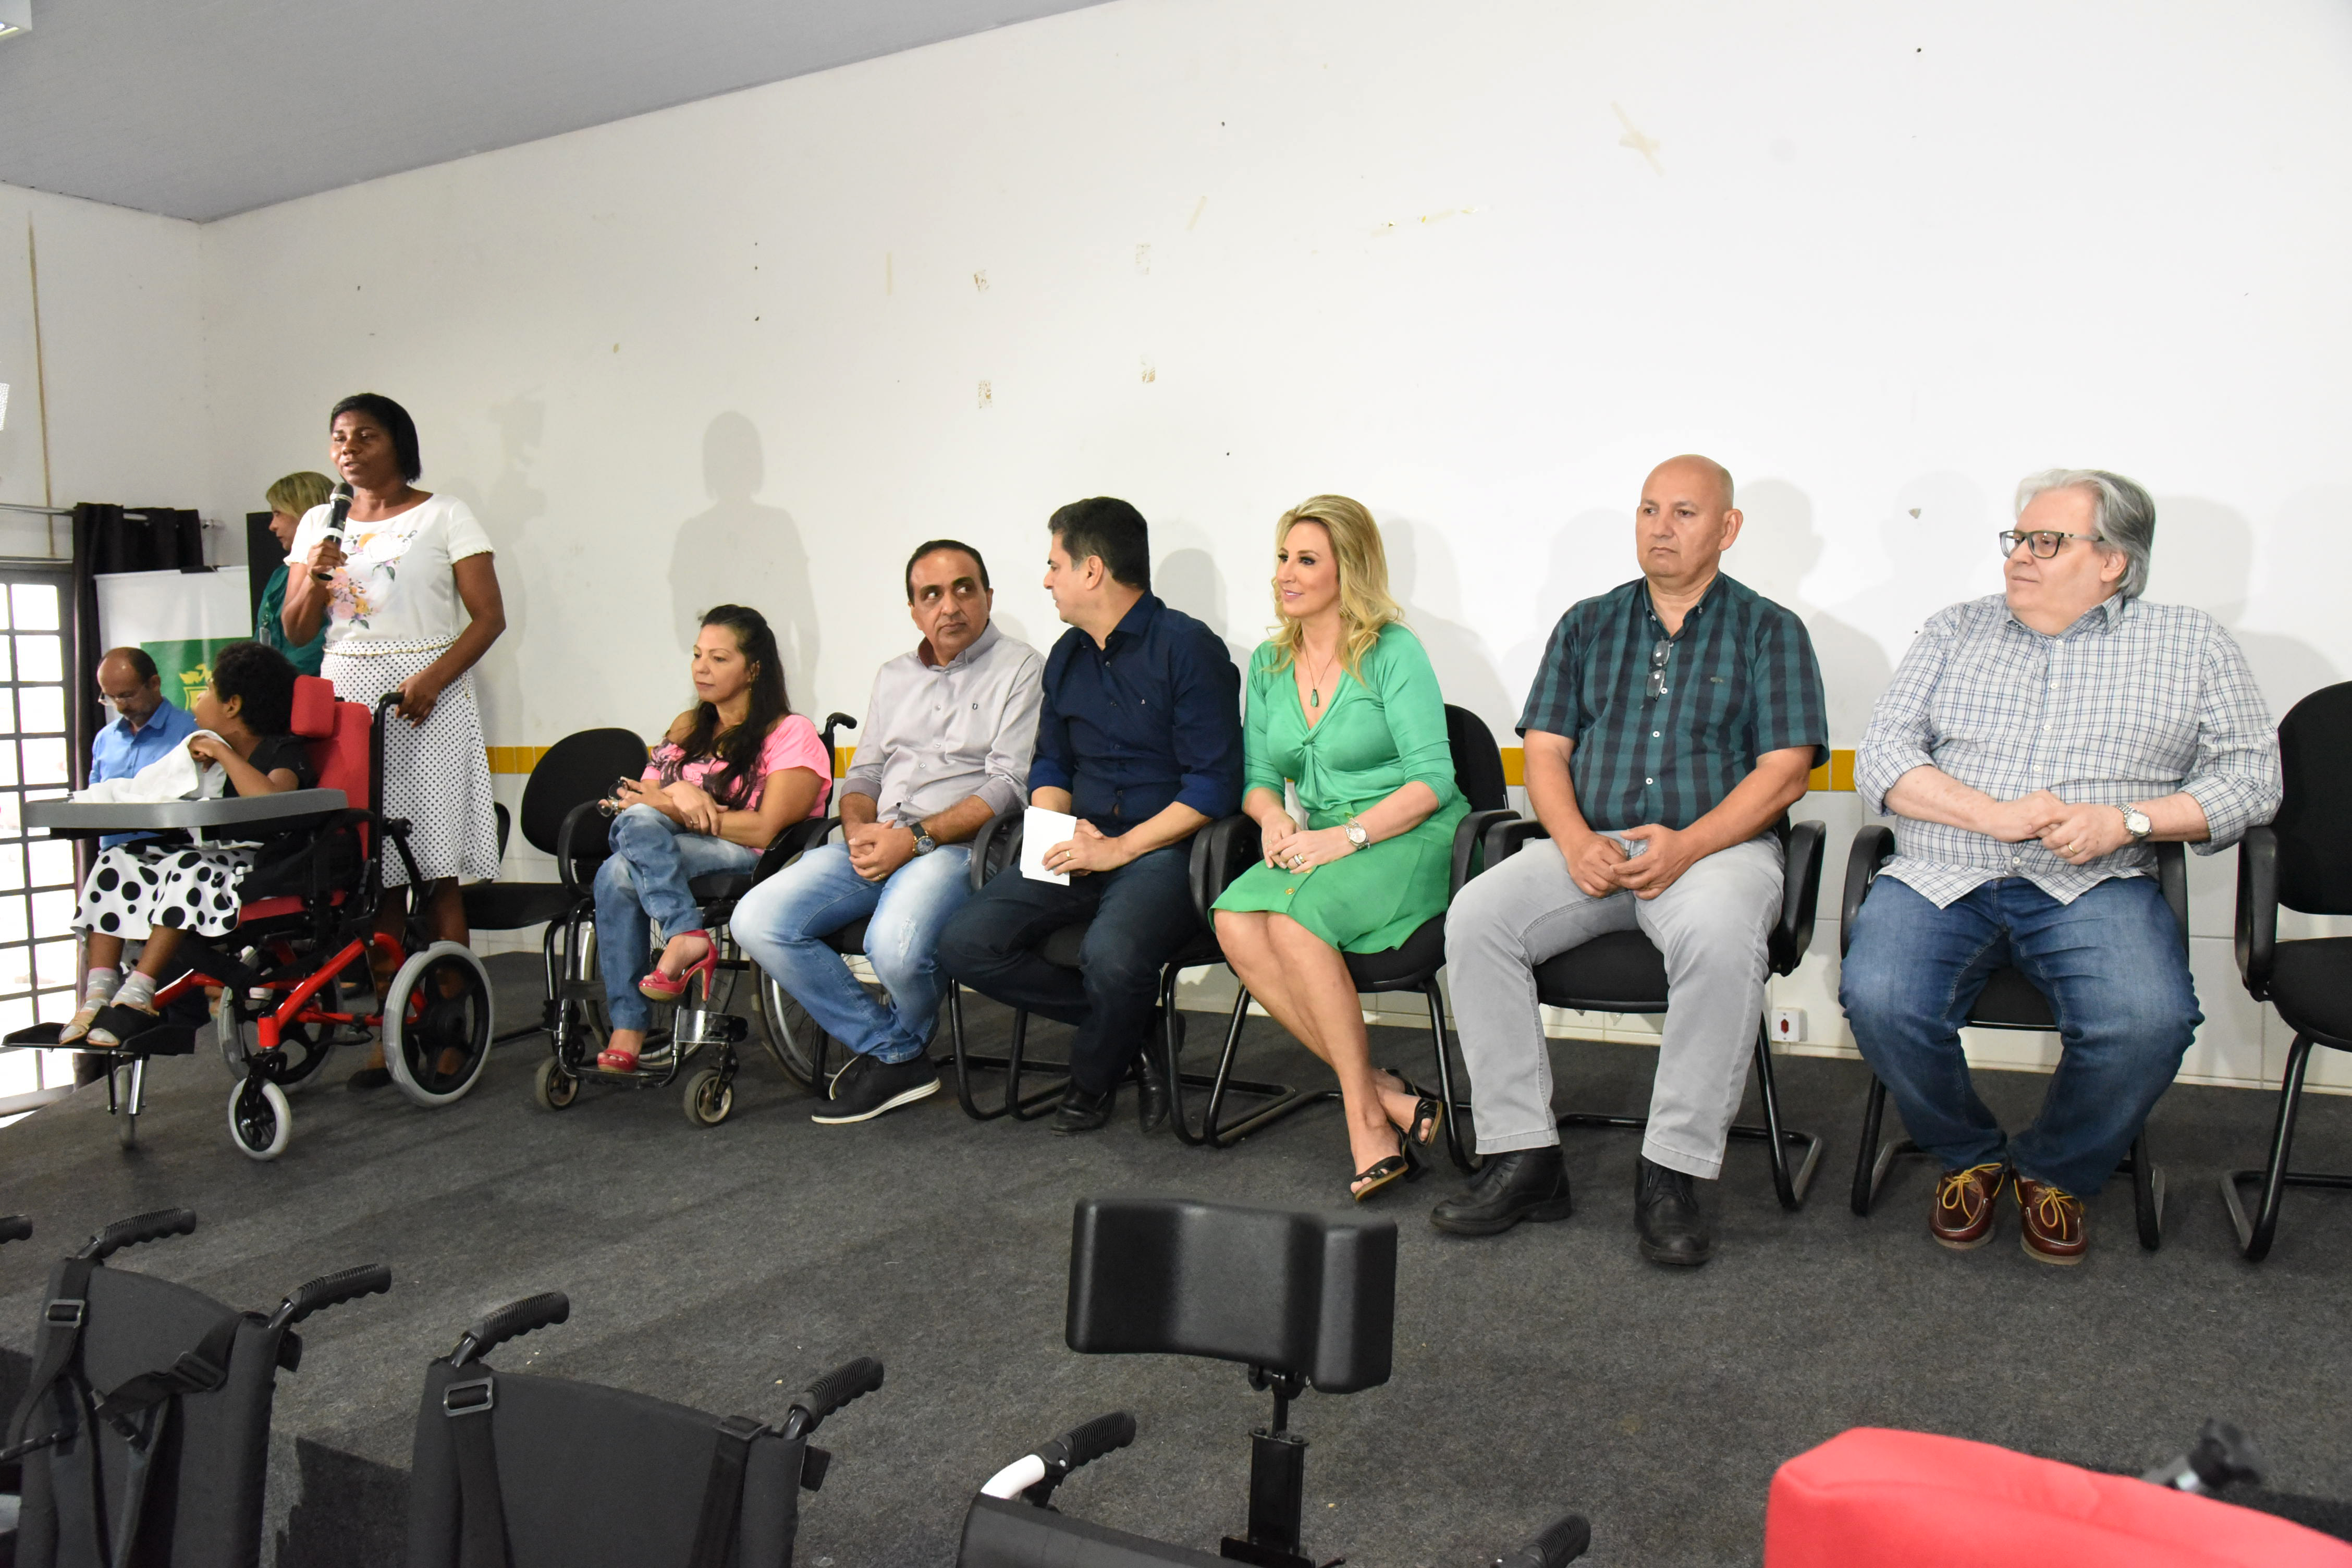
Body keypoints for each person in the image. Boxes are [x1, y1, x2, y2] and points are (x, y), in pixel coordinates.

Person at [1840, 469, 2280, 1265]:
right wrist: (1990, 815)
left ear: (2112, 561)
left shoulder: (2191, 643)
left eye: (2046, 542)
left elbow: (2253, 779)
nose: (2019, 556)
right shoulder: (1953, 631)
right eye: (2018, 538)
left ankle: (2054, 1168)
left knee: (2148, 1023)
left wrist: (2129, 821)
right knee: (1879, 998)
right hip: (1945, 870)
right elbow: (1883, 759)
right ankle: (1968, 1155)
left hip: (2093, 882)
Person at [1432, 456, 1826, 1268]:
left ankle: (1672, 1173)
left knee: (1720, 938)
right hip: (1595, 844)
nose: (1661, 528)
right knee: (1477, 916)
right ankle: (1523, 1155)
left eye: (1685, 513)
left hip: (1716, 850)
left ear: (1728, 529)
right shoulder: (1588, 623)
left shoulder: (1770, 630)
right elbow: (1545, 752)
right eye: (1649, 510)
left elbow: (1786, 772)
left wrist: (1691, 844)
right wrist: (1575, 839)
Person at [936, 498, 1243, 1134]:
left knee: (1112, 956)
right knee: (964, 942)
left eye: (1055, 565)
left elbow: (1213, 786)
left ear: (1093, 569)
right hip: (1080, 840)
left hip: (1164, 850)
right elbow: (1052, 762)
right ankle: (1139, 1028)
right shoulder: (1068, 654)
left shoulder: (1188, 647)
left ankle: (1092, 1078)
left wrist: (1120, 848)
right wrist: (1055, 833)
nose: (1047, 579)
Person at [731, 541, 1044, 1126]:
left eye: (964, 588)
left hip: (959, 848)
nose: (950, 605)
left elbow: (1009, 785)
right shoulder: (894, 676)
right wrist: (857, 827)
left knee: (893, 949)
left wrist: (916, 837)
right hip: (882, 837)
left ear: (987, 595)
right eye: (932, 594)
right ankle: (895, 1050)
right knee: (755, 920)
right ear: (914, 610)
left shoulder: (1022, 667)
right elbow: (865, 774)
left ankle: (894, 1059)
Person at [1211, 496, 1465, 1200]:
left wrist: (1347, 836)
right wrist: (1272, 817)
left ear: (1346, 570)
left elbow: (1434, 782)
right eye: (1282, 558)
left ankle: (1366, 1120)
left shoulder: (1392, 650)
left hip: (1409, 835)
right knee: (1233, 918)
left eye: (1306, 560)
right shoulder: (1269, 663)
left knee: (1296, 924)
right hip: (1321, 837)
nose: (1284, 574)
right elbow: (1259, 778)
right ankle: (1381, 1090)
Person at [279, 392, 507, 1091]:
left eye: (365, 436)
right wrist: (317, 575)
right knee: (373, 872)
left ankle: (451, 1030)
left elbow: (489, 617)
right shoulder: (320, 523)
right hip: (349, 698)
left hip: (426, 697)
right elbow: (295, 628)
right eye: (339, 437)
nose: (348, 448)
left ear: (398, 444)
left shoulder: (445, 514)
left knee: (433, 871)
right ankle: (392, 1027)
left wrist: (433, 679)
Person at [593, 605, 832, 1073]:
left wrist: (679, 807)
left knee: (617, 871)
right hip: (668, 844)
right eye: (698, 655)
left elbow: (766, 829)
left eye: (719, 659)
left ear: (754, 669)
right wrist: (680, 795)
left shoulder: (791, 733)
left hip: (752, 855)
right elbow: (641, 801)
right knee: (633, 828)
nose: (702, 668)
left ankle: (631, 1023)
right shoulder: (688, 726)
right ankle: (685, 934)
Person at [61, 643, 313, 1045]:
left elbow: (270, 802)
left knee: (187, 867)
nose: (197, 698)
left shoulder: (283, 750)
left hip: (268, 864)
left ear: (232, 705)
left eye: (208, 689)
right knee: (117, 860)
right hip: (214, 858)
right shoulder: (199, 750)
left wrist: (221, 752)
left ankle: (139, 992)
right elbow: (153, 788)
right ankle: (98, 993)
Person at [90, 647, 199, 852]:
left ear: (154, 683)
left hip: (176, 857)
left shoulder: (191, 732)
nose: (120, 706)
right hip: (113, 859)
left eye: (127, 696)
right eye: (111, 698)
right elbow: (94, 802)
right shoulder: (105, 739)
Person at [254, 471, 333, 675]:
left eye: (278, 513)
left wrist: (279, 681)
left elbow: (316, 646)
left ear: (305, 513)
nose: (272, 526)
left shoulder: (338, 572)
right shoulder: (280, 576)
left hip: (313, 684)